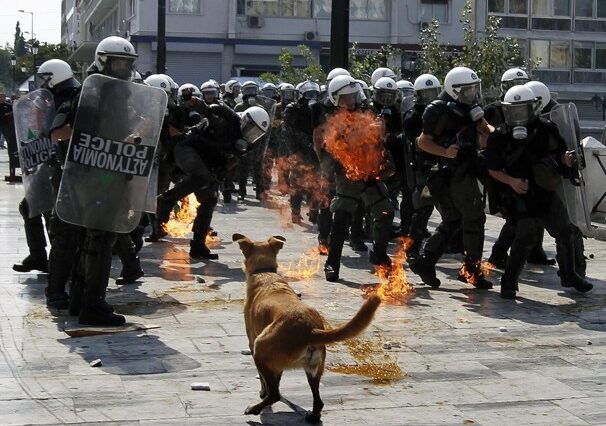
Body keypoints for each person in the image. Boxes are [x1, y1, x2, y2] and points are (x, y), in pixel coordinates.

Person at [53, 36, 142, 326]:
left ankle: (81, 301)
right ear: (104, 60)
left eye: (127, 63)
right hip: (95, 174)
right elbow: (73, 131)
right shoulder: (92, 92)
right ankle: (93, 305)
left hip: (104, 171)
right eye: (119, 62)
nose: (124, 68)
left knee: (91, 238)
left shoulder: (114, 91)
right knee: (101, 238)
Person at [485, 85, 593, 299]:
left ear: (532, 108)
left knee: (565, 231)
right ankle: (509, 282)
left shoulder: (545, 129)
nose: (517, 116)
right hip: (517, 195)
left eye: (521, 111)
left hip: (544, 191)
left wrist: (566, 160)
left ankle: (569, 275)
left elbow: (560, 152)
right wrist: (512, 182)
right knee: (526, 235)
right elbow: (492, 168)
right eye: (512, 111)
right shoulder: (499, 136)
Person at [410, 66, 493, 289]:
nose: (472, 95)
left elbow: (487, 134)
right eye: (467, 91)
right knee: (473, 219)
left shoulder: (471, 109)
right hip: (448, 173)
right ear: (454, 90)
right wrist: (445, 152)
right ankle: (471, 270)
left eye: (474, 90)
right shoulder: (437, 109)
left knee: (453, 221)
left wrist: (485, 125)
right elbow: (422, 141)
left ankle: (427, 261)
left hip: (464, 169)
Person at [157, 105, 269, 259]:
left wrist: (217, 178)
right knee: (202, 177)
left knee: (210, 199)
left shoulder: (244, 145)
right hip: (187, 149)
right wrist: (217, 109)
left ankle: (198, 247)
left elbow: (225, 166)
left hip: (204, 164)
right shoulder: (228, 121)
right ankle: (165, 201)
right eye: (250, 128)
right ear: (244, 120)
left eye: (255, 133)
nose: (251, 134)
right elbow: (210, 111)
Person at [317, 75, 395, 281]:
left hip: (370, 170)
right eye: (346, 96)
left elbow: (382, 139)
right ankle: (332, 264)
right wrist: (362, 132)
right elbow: (336, 146)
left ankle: (379, 255)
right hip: (348, 174)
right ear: (336, 99)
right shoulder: (333, 120)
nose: (351, 99)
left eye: (353, 94)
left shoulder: (368, 112)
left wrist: (379, 131)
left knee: (386, 212)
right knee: (341, 219)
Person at [403, 73, 441, 260]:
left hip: (442, 164)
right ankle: (412, 248)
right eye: (425, 94)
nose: (429, 98)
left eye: (432, 93)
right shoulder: (413, 116)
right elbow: (417, 140)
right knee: (423, 209)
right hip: (424, 168)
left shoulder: (440, 110)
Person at [0, 92, 19, 180]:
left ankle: (12, 159)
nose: (1, 98)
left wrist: (9, 114)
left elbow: (14, 112)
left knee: (10, 143)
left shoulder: (8, 105)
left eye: (2, 97)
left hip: (6, 126)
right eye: (0, 97)